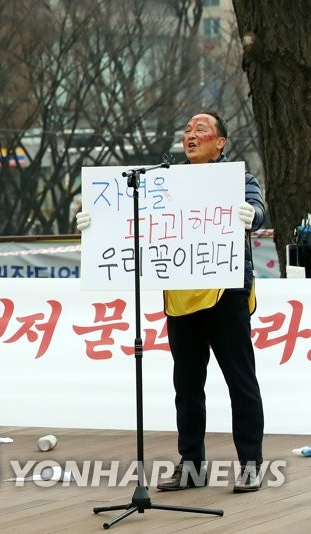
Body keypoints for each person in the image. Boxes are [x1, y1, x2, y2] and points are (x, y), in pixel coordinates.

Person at [76, 111, 266, 493]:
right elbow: (131, 220)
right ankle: (191, 466)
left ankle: (251, 464)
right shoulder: (164, 182)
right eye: (187, 131)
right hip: (180, 296)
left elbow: (258, 208)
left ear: (221, 142)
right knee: (187, 386)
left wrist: (252, 215)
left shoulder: (236, 179)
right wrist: (95, 224)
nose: (190, 136)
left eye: (201, 130)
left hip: (225, 294)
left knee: (240, 381)